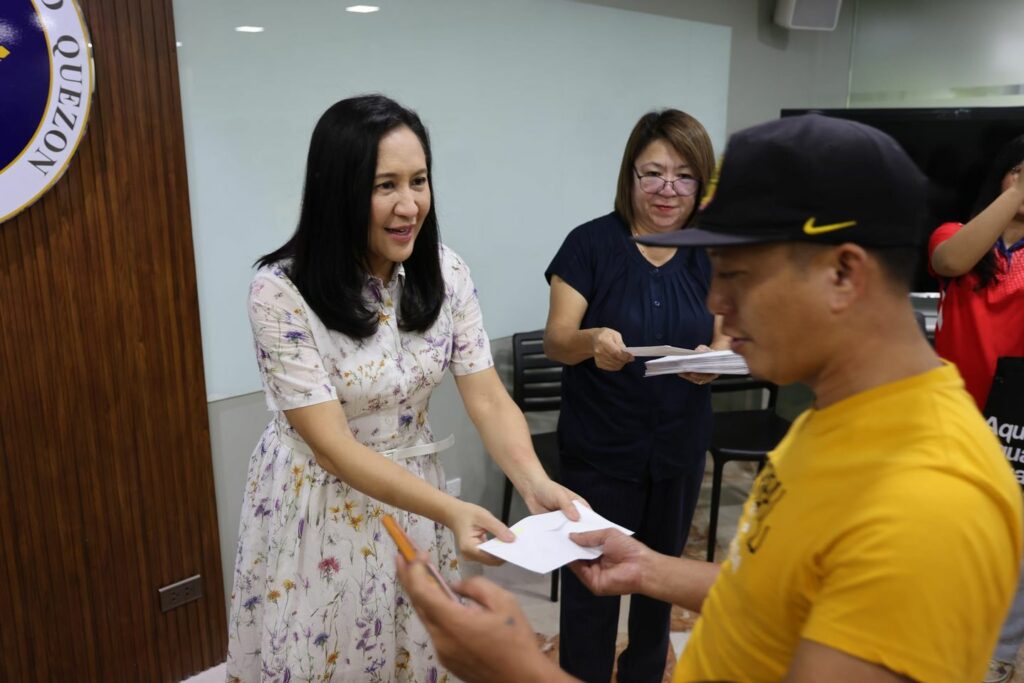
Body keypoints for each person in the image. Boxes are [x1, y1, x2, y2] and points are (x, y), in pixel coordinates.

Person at [396, 114, 1023, 683]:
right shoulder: (835, 421)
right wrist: (650, 569)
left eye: (738, 275)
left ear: (843, 274)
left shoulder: (929, 497)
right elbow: (786, 590)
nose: (717, 303)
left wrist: (514, 670)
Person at [224, 94, 582, 683]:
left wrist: (534, 481)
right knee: (330, 654)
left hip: (417, 496)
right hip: (321, 504)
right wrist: (453, 511)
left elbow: (487, 396)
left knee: (413, 654)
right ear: (339, 191)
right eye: (384, 185)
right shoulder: (280, 292)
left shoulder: (446, 271)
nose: (409, 204)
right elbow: (332, 447)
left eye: (419, 180)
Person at [542, 108, 728, 682]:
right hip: (599, 453)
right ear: (630, 176)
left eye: (684, 177)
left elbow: (727, 334)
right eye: (653, 174)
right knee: (590, 591)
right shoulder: (590, 244)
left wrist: (711, 361)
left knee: (660, 585)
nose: (668, 189)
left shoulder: (712, 252)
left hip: (677, 450)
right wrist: (590, 340)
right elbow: (557, 340)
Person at [928, 135, 1024, 683]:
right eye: (1019, 171)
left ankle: (996, 657)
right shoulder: (954, 235)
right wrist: (1015, 194)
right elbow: (949, 260)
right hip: (951, 417)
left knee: (1013, 544)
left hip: (1015, 425)